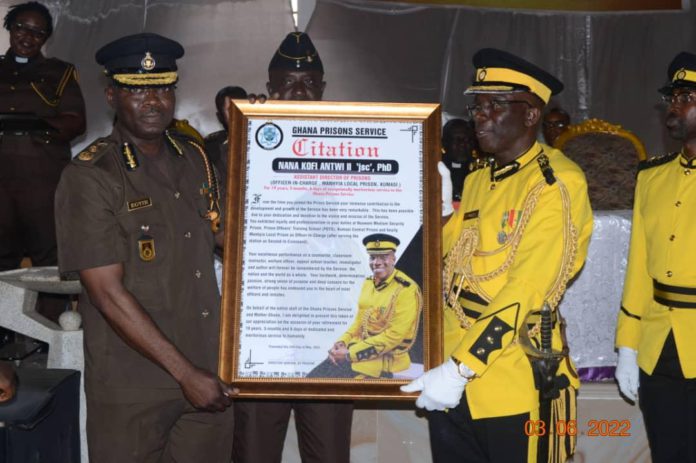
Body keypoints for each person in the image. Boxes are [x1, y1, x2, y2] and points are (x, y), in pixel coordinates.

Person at [402, 48, 593, 463]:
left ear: (531, 115)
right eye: (477, 104)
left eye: (495, 104)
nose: (480, 115)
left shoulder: (555, 183)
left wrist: (461, 368)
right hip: (450, 372)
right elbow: (450, 265)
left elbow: (527, 288)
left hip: (512, 378)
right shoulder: (477, 177)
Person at [54, 33, 235, 462]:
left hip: (209, 370)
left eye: (163, 87)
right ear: (112, 95)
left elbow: (227, 239)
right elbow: (107, 295)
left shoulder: (195, 159)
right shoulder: (91, 176)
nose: (153, 100)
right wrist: (184, 373)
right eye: (137, 90)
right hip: (133, 385)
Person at [232, 32, 353, 463]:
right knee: (254, 451)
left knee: (329, 451)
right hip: (261, 334)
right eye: (287, 82)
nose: (297, 91)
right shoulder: (233, 145)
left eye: (307, 82)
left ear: (323, 89)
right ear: (268, 87)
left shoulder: (357, 142)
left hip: (328, 332)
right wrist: (242, 135)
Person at [615, 51, 696, 463]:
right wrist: (627, 347)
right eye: (672, 98)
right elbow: (638, 269)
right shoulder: (652, 176)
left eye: (685, 97)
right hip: (658, 346)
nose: (673, 107)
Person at [0, 1, 85, 321]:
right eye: (22, 27)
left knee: (48, 256)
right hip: (1, 182)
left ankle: (46, 326)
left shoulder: (59, 72)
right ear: (10, 27)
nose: (28, 36)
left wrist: (38, 125)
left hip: (41, 179)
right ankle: (6, 329)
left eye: (38, 32)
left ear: (46, 37)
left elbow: (77, 121)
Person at [307, 233, 423, 379]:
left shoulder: (406, 290)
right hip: (358, 353)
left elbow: (393, 337)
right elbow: (359, 322)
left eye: (383, 257)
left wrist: (350, 354)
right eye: (373, 257)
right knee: (313, 377)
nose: (377, 262)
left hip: (386, 360)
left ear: (394, 258)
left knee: (326, 387)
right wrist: (342, 342)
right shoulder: (369, 283)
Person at [205, 85, 248, 185]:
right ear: (220, 117)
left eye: (241, 107)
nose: (238, 113)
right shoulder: (209, 149)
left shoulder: (265, 141)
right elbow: (204, 188)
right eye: (230, 109)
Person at [441, 118, 478, 202]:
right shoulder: (434, 169)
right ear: (445, 143)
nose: (463, 144)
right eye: (458, 140)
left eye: (467, 140)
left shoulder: (479, 168)